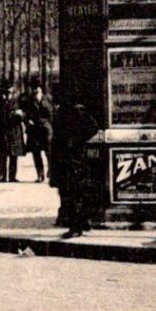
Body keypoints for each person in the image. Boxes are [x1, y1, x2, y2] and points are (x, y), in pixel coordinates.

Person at [53, 100, 97, 238]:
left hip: (73, 158)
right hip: (66, 158)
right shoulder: (66, 110)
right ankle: (83, 222)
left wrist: (77, 143)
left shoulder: (75, 110)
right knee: (75, 191)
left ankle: (76, 226)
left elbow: (92, 127)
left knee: (72, 192)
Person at [0, 82, 25, 183]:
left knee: (14, 155)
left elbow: (23, 114)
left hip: (14, 131)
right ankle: (2, 175)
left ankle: (12, 176)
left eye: (10, 92)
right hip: (2, 131)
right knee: (2, 155)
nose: (8, 94)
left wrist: (20, 115)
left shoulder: (17, 102)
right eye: (7, 92)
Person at [21, 79, 54, 183]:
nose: (35, 90)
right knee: (36, 153)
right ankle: (40, 175)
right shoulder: (28, 100)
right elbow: (24, 114)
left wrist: (48, 124)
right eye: (34, 89)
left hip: (45, 129)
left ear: (41, 89)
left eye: (37, 89)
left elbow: (52, 114)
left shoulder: (48, 98)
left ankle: (51, 171)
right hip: (34, 130)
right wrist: (27, 121)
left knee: (49, 152)